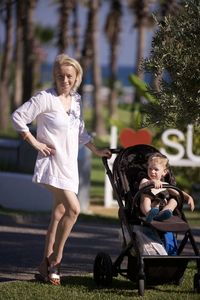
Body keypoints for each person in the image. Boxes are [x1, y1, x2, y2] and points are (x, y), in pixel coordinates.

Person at [11, 54, 112, 285]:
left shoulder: (76, 100)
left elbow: (79, 131)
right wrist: (35, 142)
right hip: (51, 164)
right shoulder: (45, 98)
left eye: (69, 76)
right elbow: (17, 117)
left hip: (69, 165)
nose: (64, 79)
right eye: (60, 75)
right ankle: (56, 260)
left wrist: (96, 151)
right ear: (54, 77)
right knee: (74, 210)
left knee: (58, 214)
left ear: (76, 77)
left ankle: (43, 266)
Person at [139, 153, 195, 223]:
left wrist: (188, 197)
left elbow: (177, 192)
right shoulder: (145, 180)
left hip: (161, 205)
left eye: (156, 169)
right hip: (150, 206)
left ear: (164, 172)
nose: (152, 171)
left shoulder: (165, 184)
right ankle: (149, 214)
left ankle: (165, 212)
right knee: (145, 197)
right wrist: (151, 182)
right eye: (150, 169)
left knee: (174, 201)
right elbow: (141, 187)